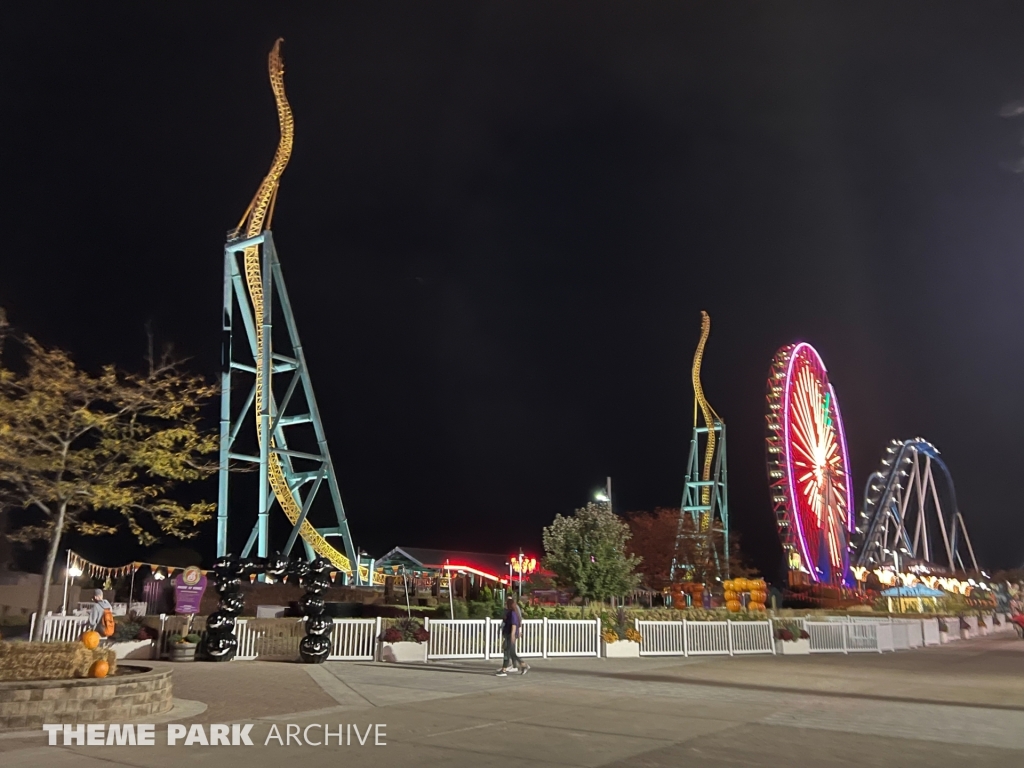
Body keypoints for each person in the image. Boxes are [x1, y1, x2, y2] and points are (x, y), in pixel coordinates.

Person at [496, 596, 530, 676]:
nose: (505, 604)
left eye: (506, 603)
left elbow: (514, 625)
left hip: (510, 635)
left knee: (509, 652)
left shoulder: (513, 613)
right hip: (508, 634)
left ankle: (507, 669)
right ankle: (522, 665)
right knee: (510, 652)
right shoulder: (509, 612)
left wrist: (512, 636)